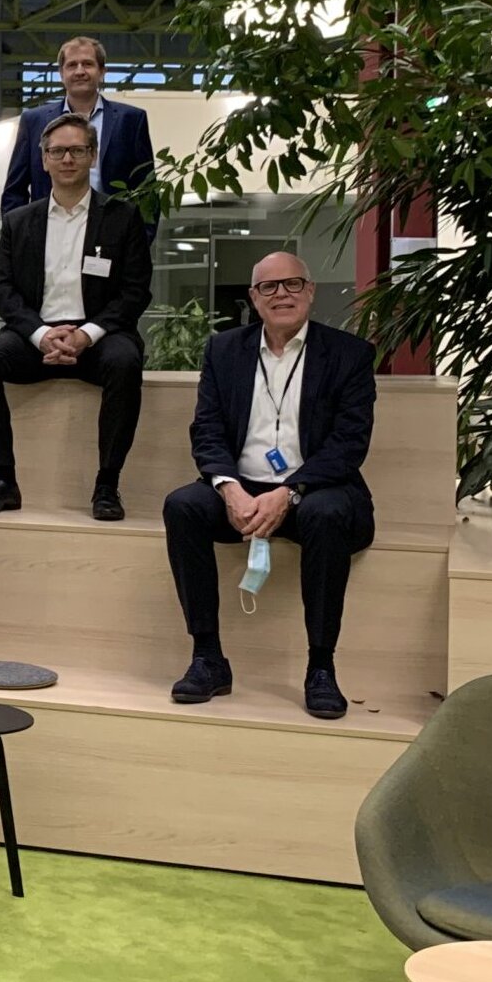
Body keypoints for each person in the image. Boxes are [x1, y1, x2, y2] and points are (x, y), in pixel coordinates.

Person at [164, 252, 377, 722]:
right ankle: (208, 658)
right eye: (269, 287)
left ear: (311, 292)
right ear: (253, 299)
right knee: (182, 505)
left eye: (293, 284)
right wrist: (228, 488)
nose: (282, 294)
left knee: (325, 515)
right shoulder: (224, 351)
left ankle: (321, 667)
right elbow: (208, 430)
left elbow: (348, 444)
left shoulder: (348, 354)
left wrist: (291, 492)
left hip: (318, 488)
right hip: (242, 488)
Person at [0, 113, 154, 521]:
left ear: (93, 156)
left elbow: (135, 291)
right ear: (44, 160)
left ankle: (107, 485)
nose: (67, 158)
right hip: (36, 336)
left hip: (100, 336)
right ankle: (4, 480)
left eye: (77, 150)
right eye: (57, 151)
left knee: (126, 362)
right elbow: (3, 290)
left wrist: (86, 335)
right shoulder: (19, 221)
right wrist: (40, 335)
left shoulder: (122, 217)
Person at [0, 36, 155, 213]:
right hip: (49, 232)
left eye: (88, 64)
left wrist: (139, 239)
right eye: (72, 65)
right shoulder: (33, 121)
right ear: (61, 73)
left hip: (112, 233)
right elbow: (14, 191)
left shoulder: (131, 120)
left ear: (103, 71)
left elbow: (147, 189)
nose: (80, 71)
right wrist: (19, 236)